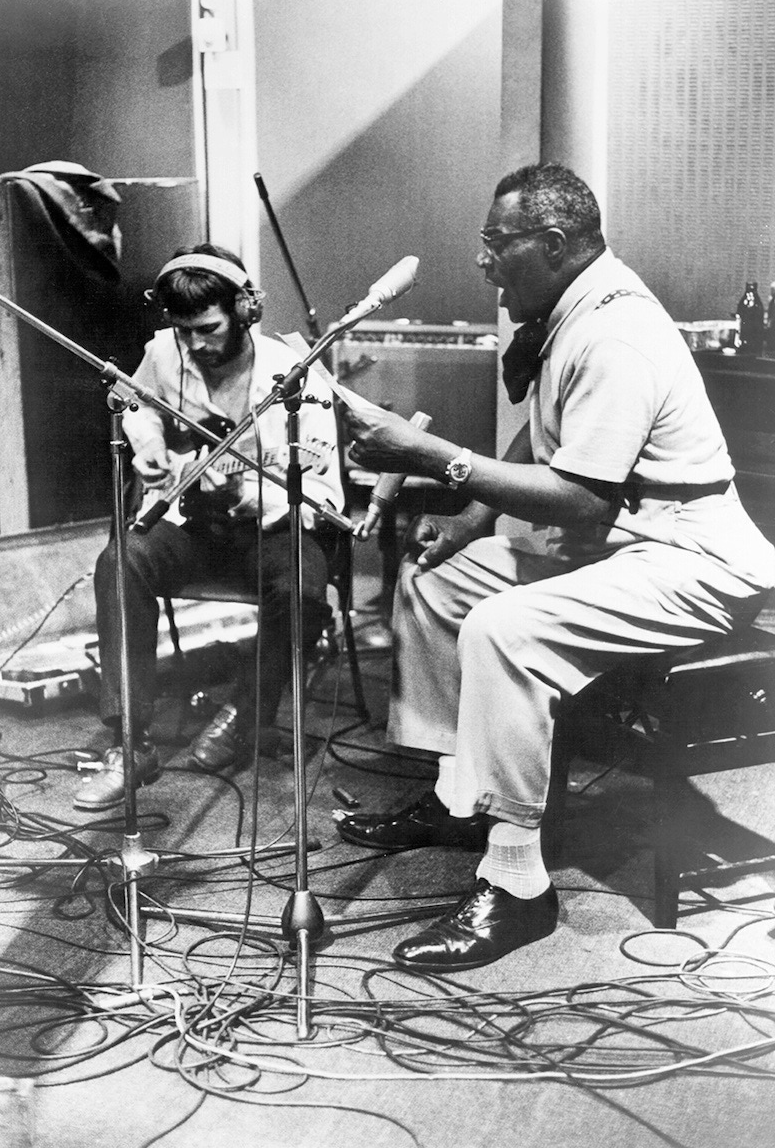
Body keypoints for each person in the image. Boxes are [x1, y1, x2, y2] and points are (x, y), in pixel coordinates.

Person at [338, 162, 775, 974]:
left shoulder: (615, 331)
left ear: (552, 242)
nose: (483, 260)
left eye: (496, 243)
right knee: (437, 586)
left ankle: (517, 886)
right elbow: (550, 435)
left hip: (694, 559)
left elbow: (578, 495)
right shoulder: (567, 308)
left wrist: (432, 456)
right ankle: (462, 799)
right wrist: (470, 521)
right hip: (627, 542)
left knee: (506, 628)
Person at [75, 245, 345, 811]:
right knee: (121, 558)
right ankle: (130, 741)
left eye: (208, 328)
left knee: (300, 589)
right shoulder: (164, 352)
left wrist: (247, 492)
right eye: (183, 331)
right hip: (194, 528)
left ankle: (247, 713)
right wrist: (148, 447)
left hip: (271, 530)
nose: (195, 345)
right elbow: (138, 406)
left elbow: (322, 495)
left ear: (246, 311)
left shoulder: (294, 379)